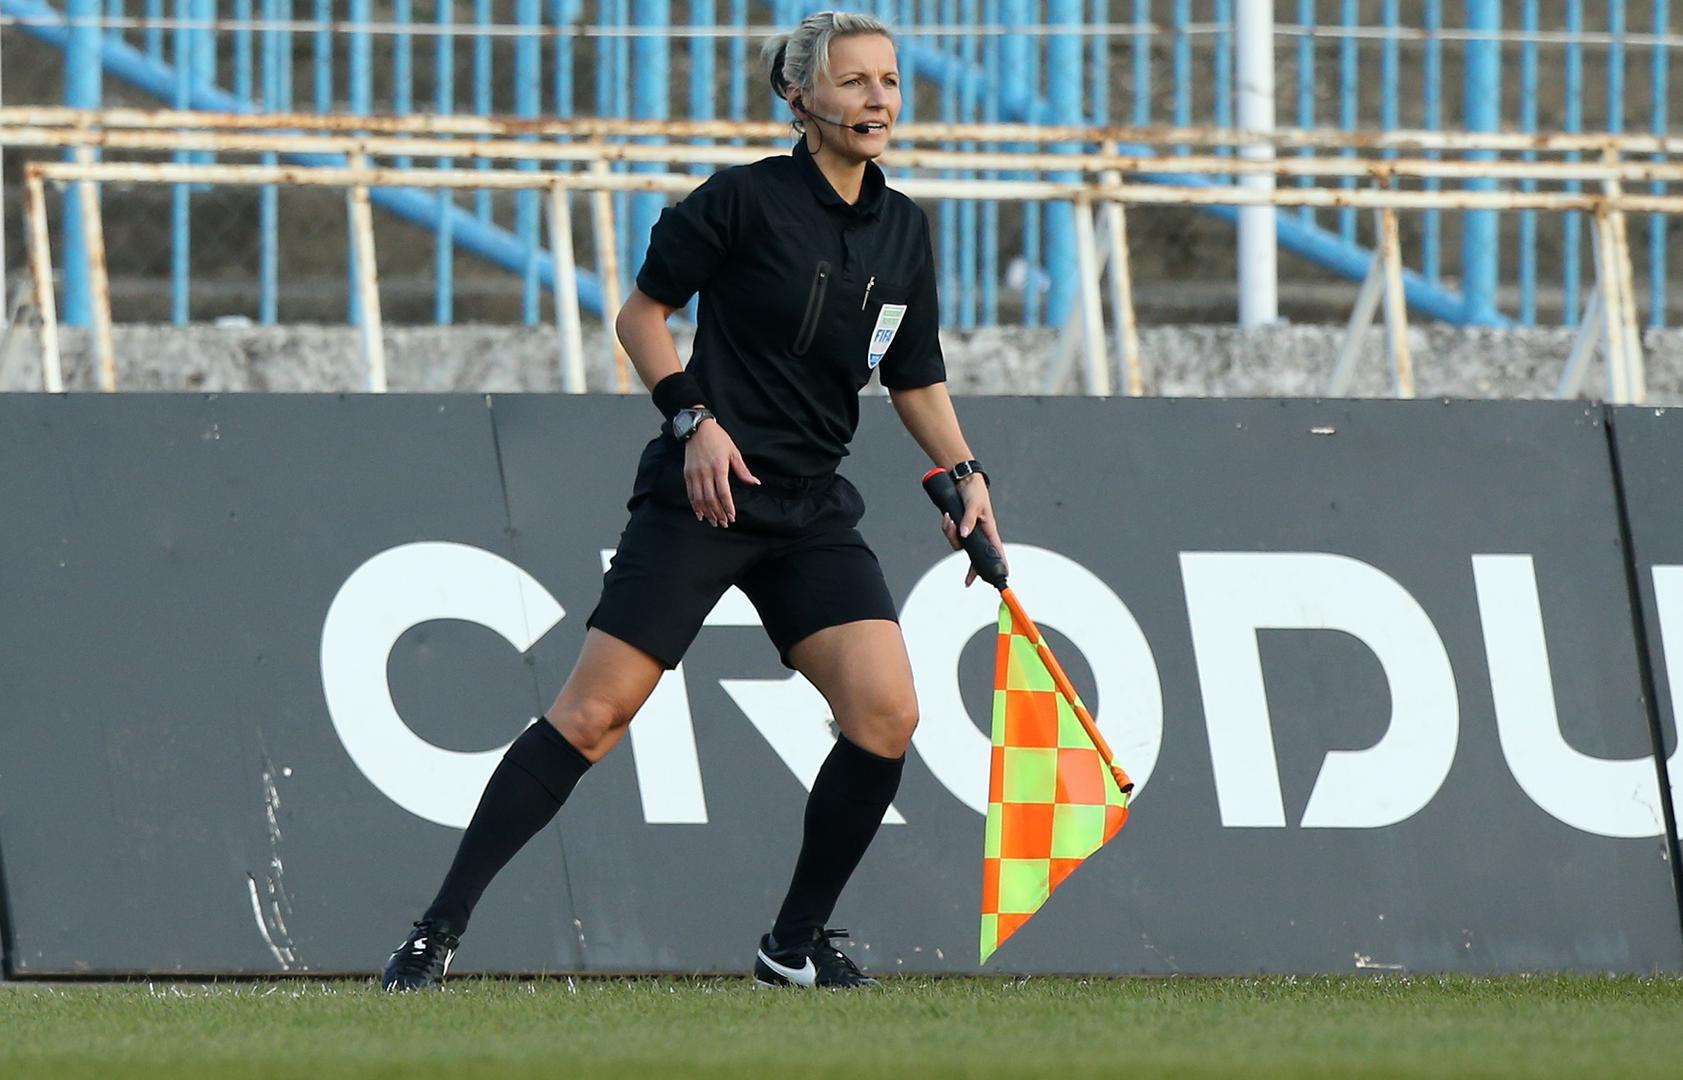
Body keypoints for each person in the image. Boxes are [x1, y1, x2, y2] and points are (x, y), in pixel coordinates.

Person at [381, 9, 1006, 991]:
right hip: (702, 500)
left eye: (889, 81)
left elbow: (912, 376)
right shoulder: (742, 200)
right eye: (853, 81)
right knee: (592, 716)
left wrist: (964, 476)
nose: (877, 99)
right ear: (800, 96)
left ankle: (791, 945)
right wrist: (693, 419)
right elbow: (642, 317)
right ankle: (435, 932)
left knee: (886, 716)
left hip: (810, 511)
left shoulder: (903, 229)